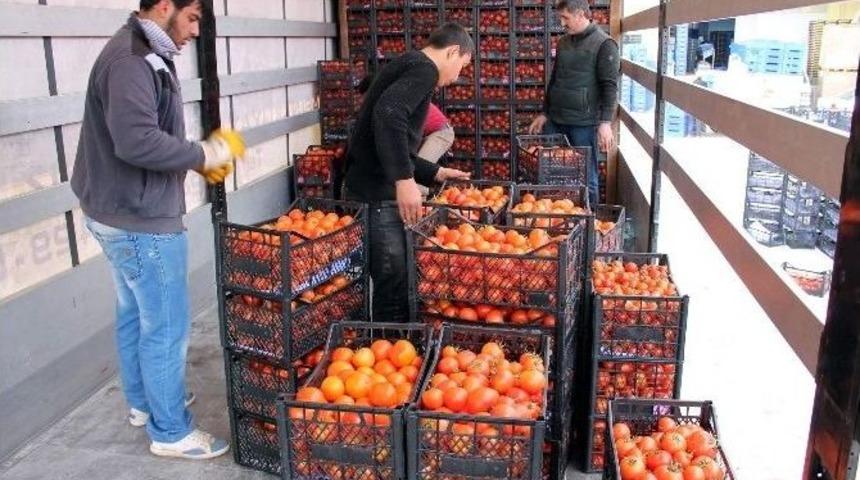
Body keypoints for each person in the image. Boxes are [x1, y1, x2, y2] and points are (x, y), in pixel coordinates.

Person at [70, 0, 242, 460]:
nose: (196, 31)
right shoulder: (131, 60)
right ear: (165, 5)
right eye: (192, 18)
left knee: (135, 312)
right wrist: (203, 154)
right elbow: (136, 141)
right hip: (139, 220)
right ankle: (170, 432)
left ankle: (144, 404)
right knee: (166, 326)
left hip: (116, 210)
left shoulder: (143, 52)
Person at [343, 23, 474, 323]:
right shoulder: (425, 69)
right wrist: (404, 180)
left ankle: (388, 342)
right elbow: (389, 115)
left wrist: (434, 172)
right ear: (453, 51)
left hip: (366, 186)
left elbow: (391, 137)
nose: (456, 77)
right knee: (394, 284)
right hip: (378, 195)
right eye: (462, 67)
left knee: (392, 280)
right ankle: (390, 343)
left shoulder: (408, 63)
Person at [528, 0, 620, 207]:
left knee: (587, 176)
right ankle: (554, 216)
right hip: (555, 120)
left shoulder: (605, 44)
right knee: (551, 174)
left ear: (580, 14)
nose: (562, 23)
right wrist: (545, 112)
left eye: (565, 18)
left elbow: (610, 86)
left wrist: (605, 122)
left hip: (583, 124)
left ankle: (590, 217)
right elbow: (555, 79)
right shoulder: (563, 42)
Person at [356, 75, 456, 173]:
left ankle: (424, 184)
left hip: (441, 133)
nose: (365, 101)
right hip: (424, 133)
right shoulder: (387, 101)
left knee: (420, 168)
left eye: (367, 97)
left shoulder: (396, 100)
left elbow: (401, 131)